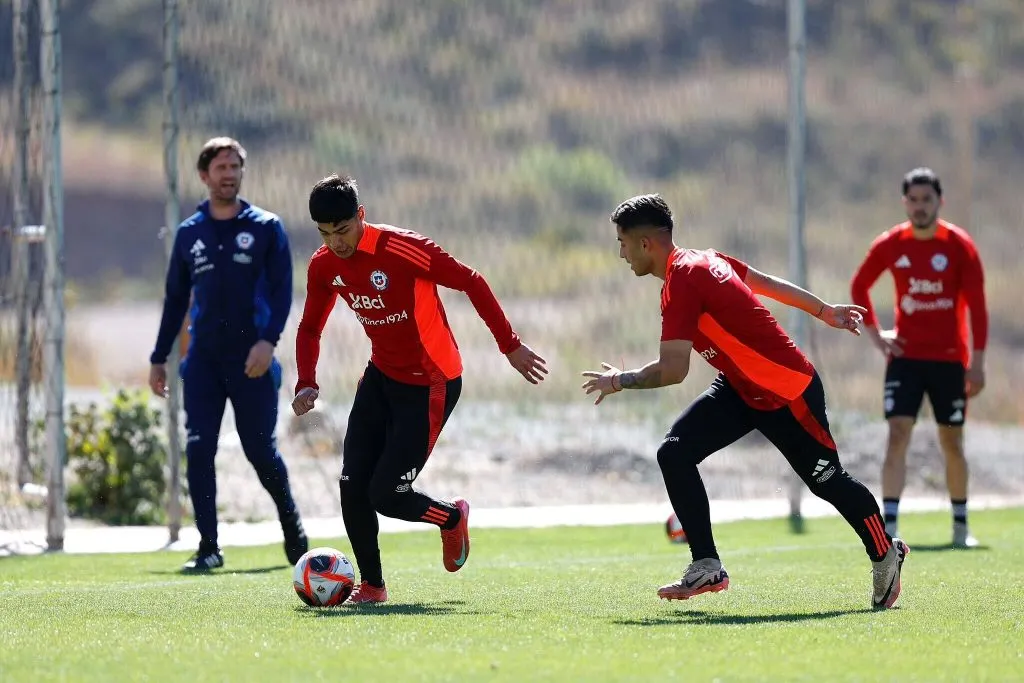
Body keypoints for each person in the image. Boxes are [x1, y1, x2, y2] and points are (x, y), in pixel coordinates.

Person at [581, 194, 909, 609]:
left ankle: (885, 551)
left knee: (828, 482)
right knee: (675, 453)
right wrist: (822, 310)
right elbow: (763, 281)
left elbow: (673, 370)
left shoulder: (683, 282)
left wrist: (620, 381)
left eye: (623, 243)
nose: (621, 254)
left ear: (646, 243)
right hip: (741, 387)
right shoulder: (704, 259)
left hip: (786, 390)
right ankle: (706, 565)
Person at [292, 174, 547, 604]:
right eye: (325, 234)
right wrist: (306, 381)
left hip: (432, 383)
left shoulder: (401, 249)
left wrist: (511, 346)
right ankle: (371, 587)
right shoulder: (323, 265)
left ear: (361, 216)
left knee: (387, 493)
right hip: (380, 379)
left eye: (343, 230)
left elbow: (472, 281)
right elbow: (310, 327)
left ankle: (450, 518)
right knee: (352, 485)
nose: (336, 242)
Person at [149, 137, 308, 572]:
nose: (229, 174)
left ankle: (294, 533)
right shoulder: (189, 234)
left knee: (260, 451)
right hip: (201, 360)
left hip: (252, 358)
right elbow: (175, 299)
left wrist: (267, 341)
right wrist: (159, 356)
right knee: (199, 449)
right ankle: (208, 547)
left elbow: (280, 293)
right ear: (204, 175)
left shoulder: (265, 227)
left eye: (235, 166)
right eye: (220, 167)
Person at [850, 167, 988, 548]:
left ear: (939, 202)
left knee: (952, 442)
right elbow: (859, 285)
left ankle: (961, 527)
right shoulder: (891, 243)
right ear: (905, 203)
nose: (920, 206)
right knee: (896, 436)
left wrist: (977, 362)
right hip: (906, 359)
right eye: (913, 200)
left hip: (948, 360)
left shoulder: (959, 246)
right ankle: (889, 528)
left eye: (927, 199)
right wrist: (878, 337)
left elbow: (977, 307)